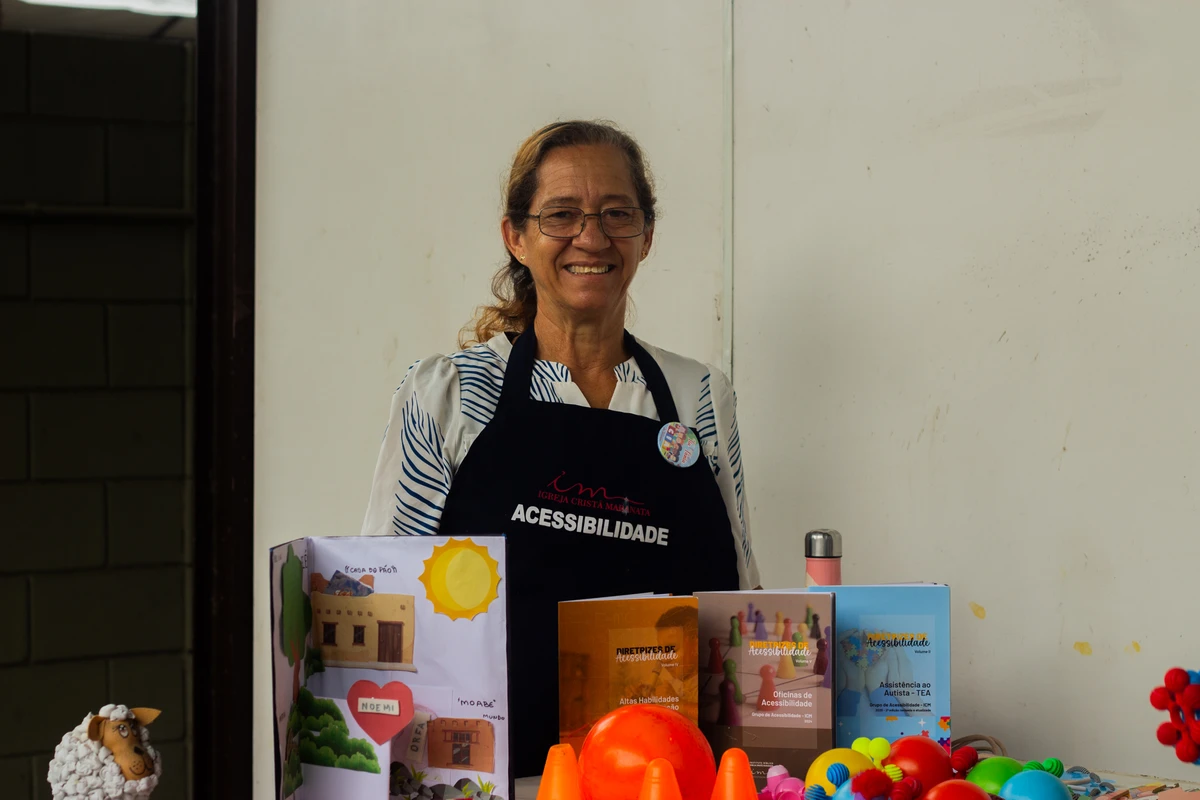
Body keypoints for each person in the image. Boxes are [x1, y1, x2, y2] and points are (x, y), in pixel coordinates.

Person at [359, 119, 759, 776]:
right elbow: (383, 607)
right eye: (562, 215)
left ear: (647, 236)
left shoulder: (698, 396)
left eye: (616, 214)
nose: (592, 237)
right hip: (494, 779)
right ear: (516, 236)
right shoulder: (450, 394)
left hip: (667, 778)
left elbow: (738, 599)